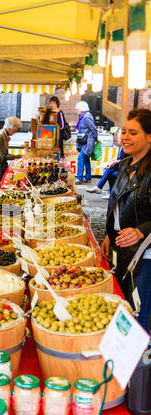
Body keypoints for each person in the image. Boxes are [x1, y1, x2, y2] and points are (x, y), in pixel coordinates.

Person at [100, 108, 151, 334]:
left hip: (146, 254)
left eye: (133, 132)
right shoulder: (124, 165)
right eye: (123, 131)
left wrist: (141, 231)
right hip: (123, 247)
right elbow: (115, 205)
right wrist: (108, 235)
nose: (125, 137)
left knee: (139, 313)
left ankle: (141, 362)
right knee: (124, 303)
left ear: (149, 137)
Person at [86, 129, 128, 199]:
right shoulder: (121, 146)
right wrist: (111, 162)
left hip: (125, 170)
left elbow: (123, 162)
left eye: (118, 137)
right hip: (120, 169)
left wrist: (112, 164)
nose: (117, 139)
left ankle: (99, 187)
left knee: (109, 170)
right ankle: (110, 193)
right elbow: (118, 160)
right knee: (110, 172)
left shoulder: (126, 148)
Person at [74, 101, 98, 184]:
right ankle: (88, 178)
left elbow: (93, 129)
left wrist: (95, 138)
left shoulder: (86, 117)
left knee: (81, 158)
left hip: (87, 142)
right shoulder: (84, 116)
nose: (77, 111)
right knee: (86, 159)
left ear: (82, 109)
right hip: (85, 142)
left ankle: (79, 178)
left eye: (78, 109)